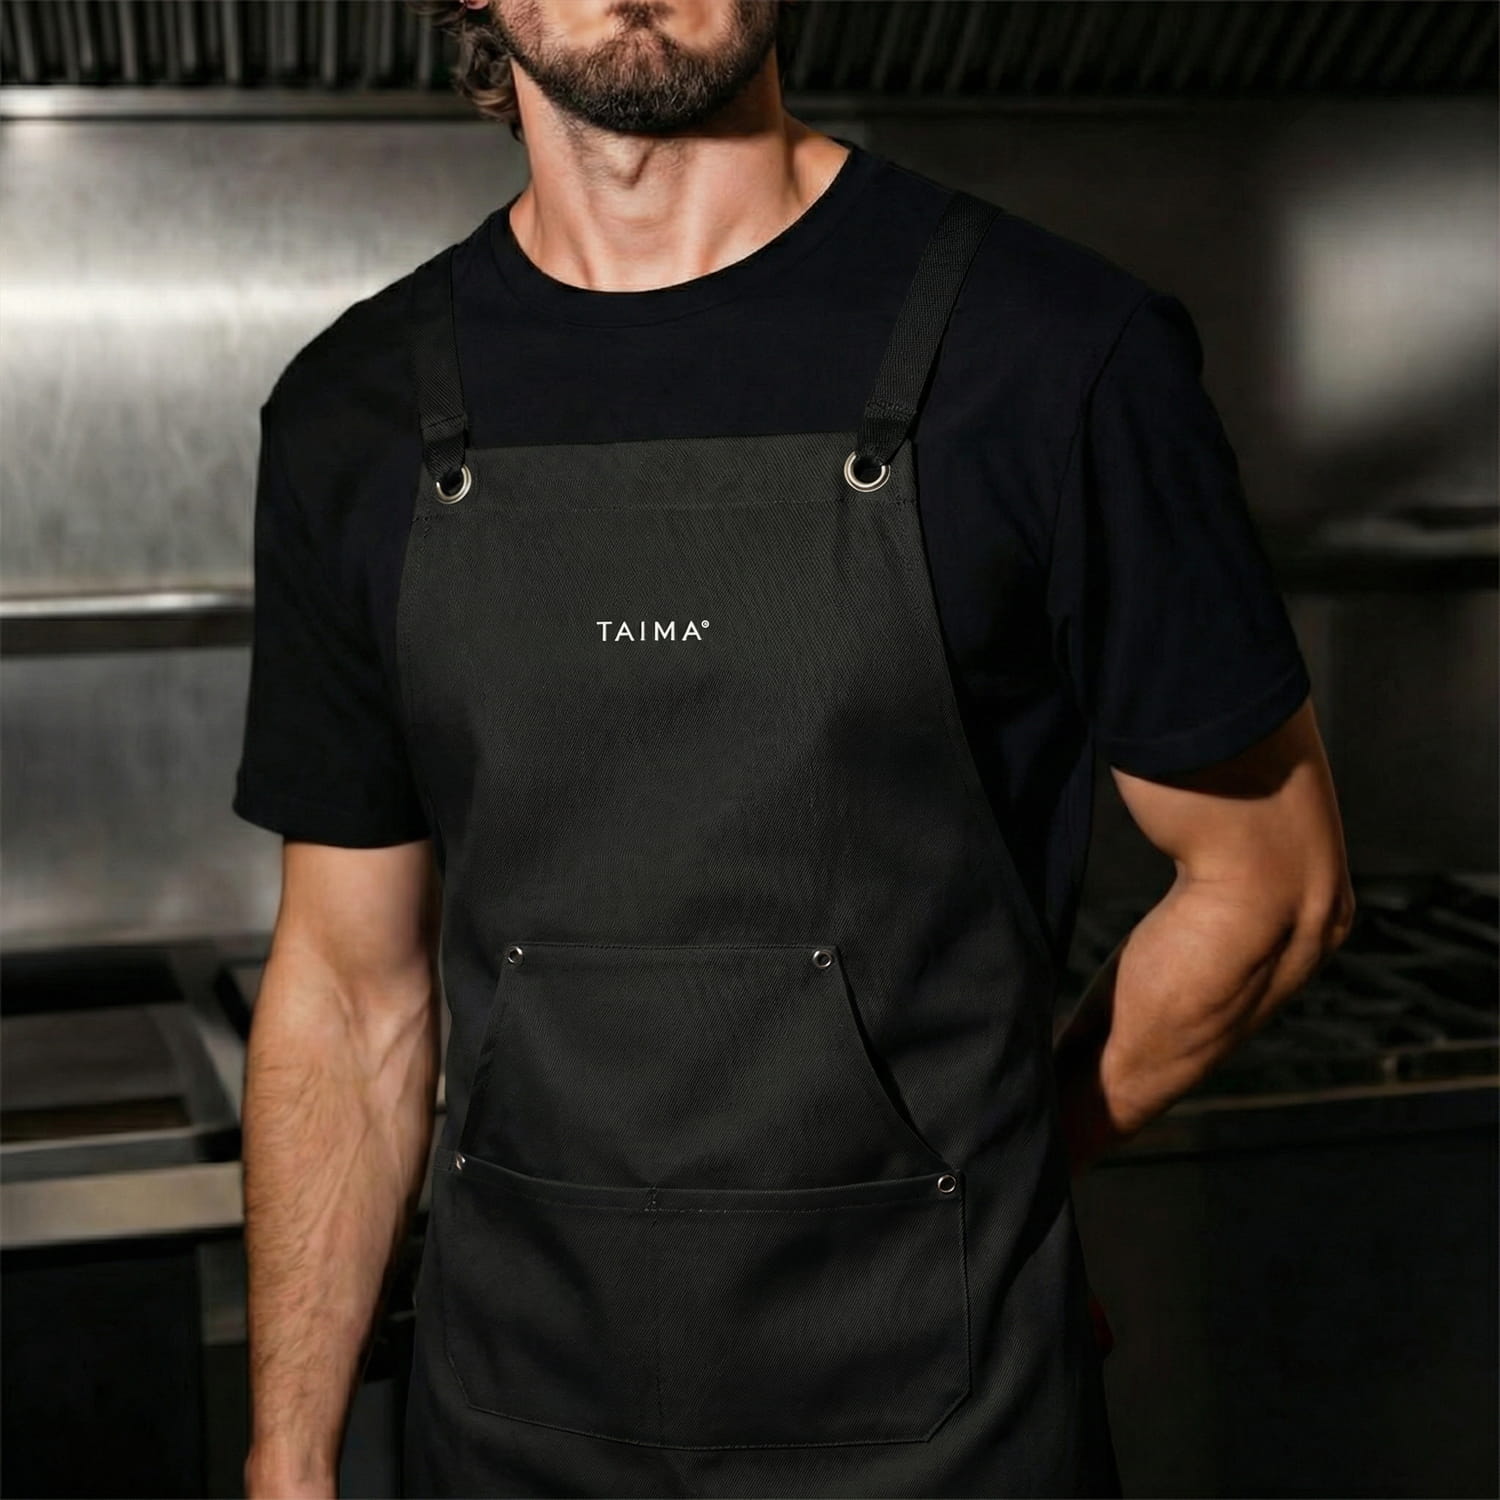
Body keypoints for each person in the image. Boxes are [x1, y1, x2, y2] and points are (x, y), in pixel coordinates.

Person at [232, 2, 1356, 1495]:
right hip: (511, 1430)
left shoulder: (1057, 351)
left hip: (952, 1441)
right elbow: (344, 987)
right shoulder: (351, 412)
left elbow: (1269, 887)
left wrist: (984, 1183)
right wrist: (289, 1459)